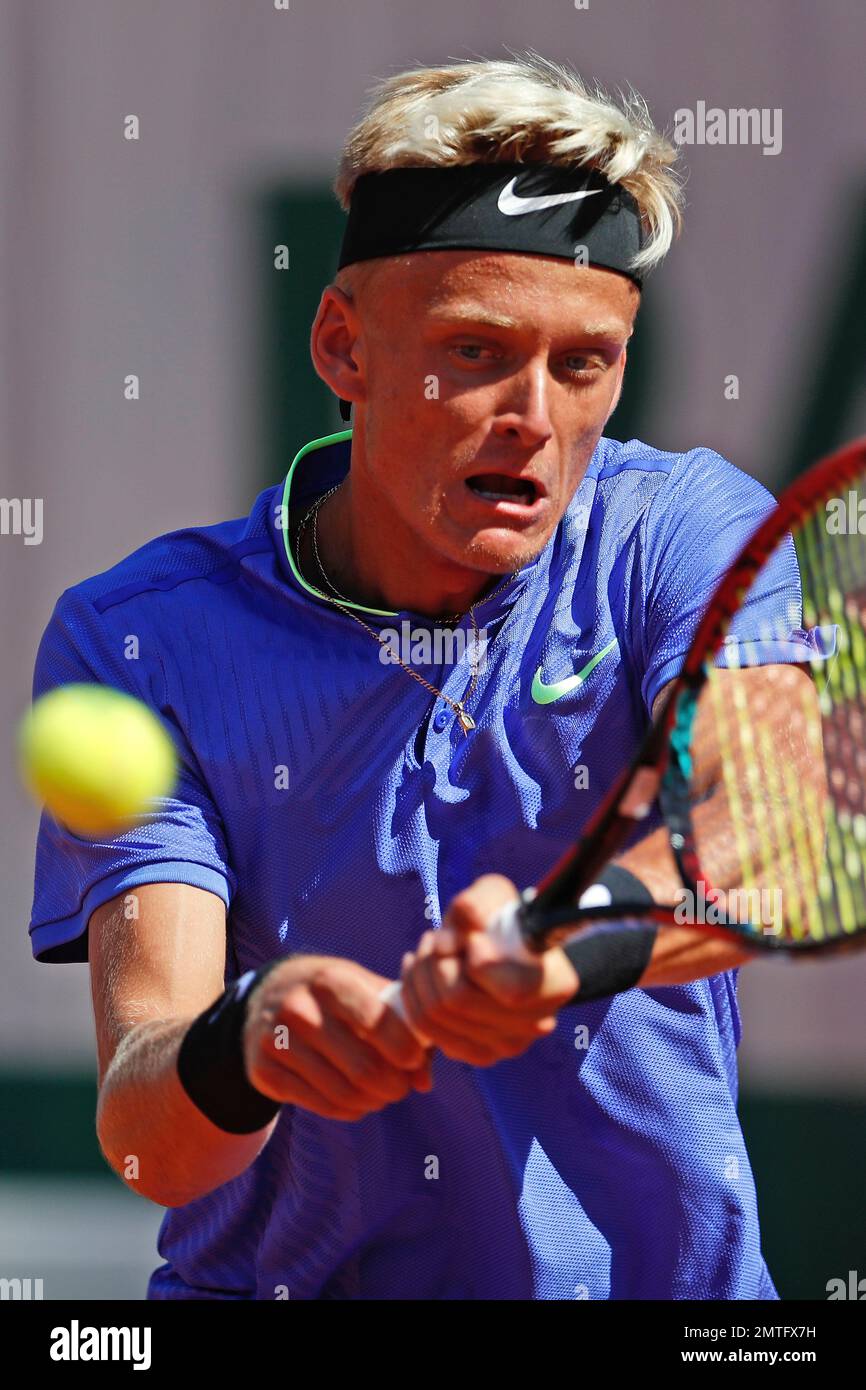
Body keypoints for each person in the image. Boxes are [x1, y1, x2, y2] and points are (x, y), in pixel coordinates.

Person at [29, 53, 785, 1299]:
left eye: (584, 362)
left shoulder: (683, 532)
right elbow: (143, 1138)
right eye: (474, 351)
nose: (533, 417)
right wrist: (246, 1043)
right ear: (342, 348)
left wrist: (558, 948)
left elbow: (756, 833)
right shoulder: (136, 642)